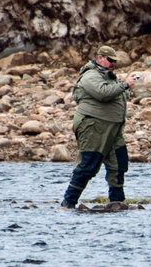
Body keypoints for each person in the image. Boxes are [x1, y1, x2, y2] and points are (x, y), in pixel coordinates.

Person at [60, 45, 138, 209]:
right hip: (93, 126)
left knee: (118, 164)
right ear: (100, 58)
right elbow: (103, 94)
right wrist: (125, 84)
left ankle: (117, 203)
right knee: (88, 165)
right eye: (110, 60)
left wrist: (124, 86)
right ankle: (68, 203)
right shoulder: (90, 76)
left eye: (114, 61)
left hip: (113, 128)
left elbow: (117, 94)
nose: (112, 64)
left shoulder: (109, 76)